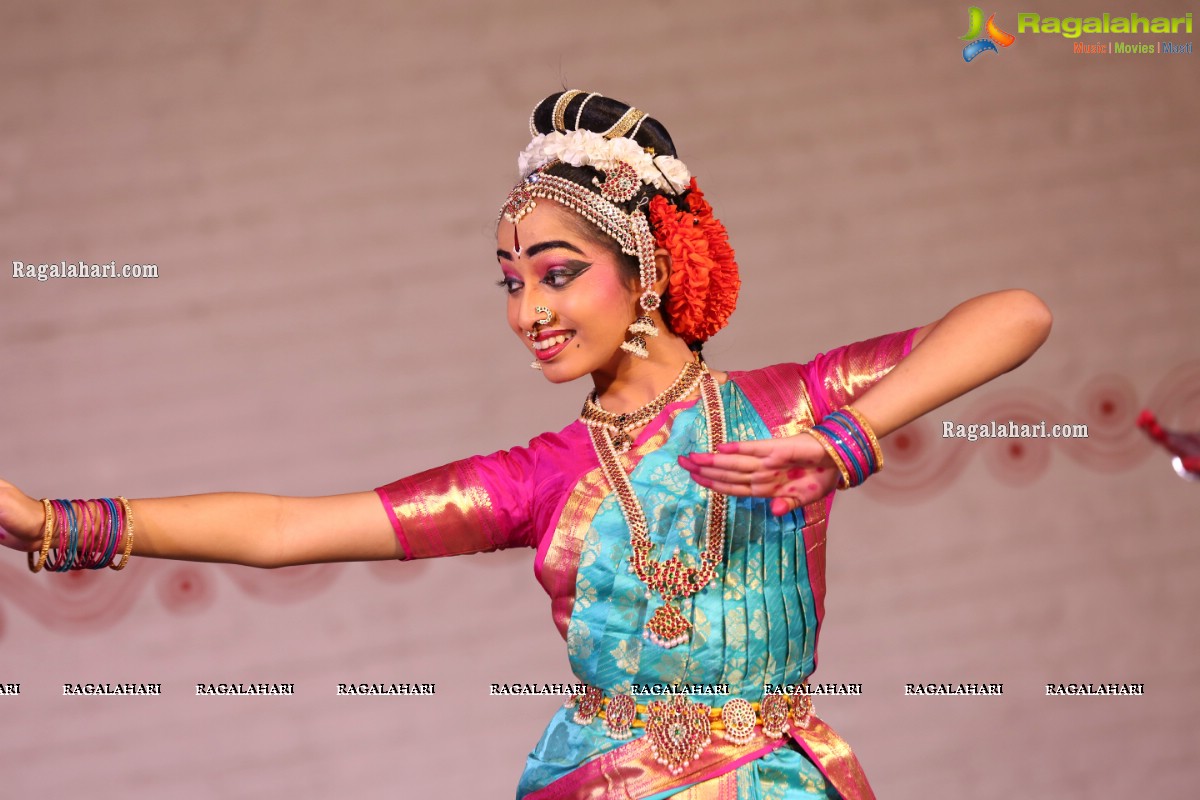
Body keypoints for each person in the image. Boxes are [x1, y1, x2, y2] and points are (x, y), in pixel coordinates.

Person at [0, 90, 1052, 799]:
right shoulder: (545, 479)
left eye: (555, 273)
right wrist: (62, 522)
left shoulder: (788, 408)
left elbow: (1016, 312)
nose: (526, 312)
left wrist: (845, 439)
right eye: (511, 285)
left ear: (644, 268)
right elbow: (292, 528)